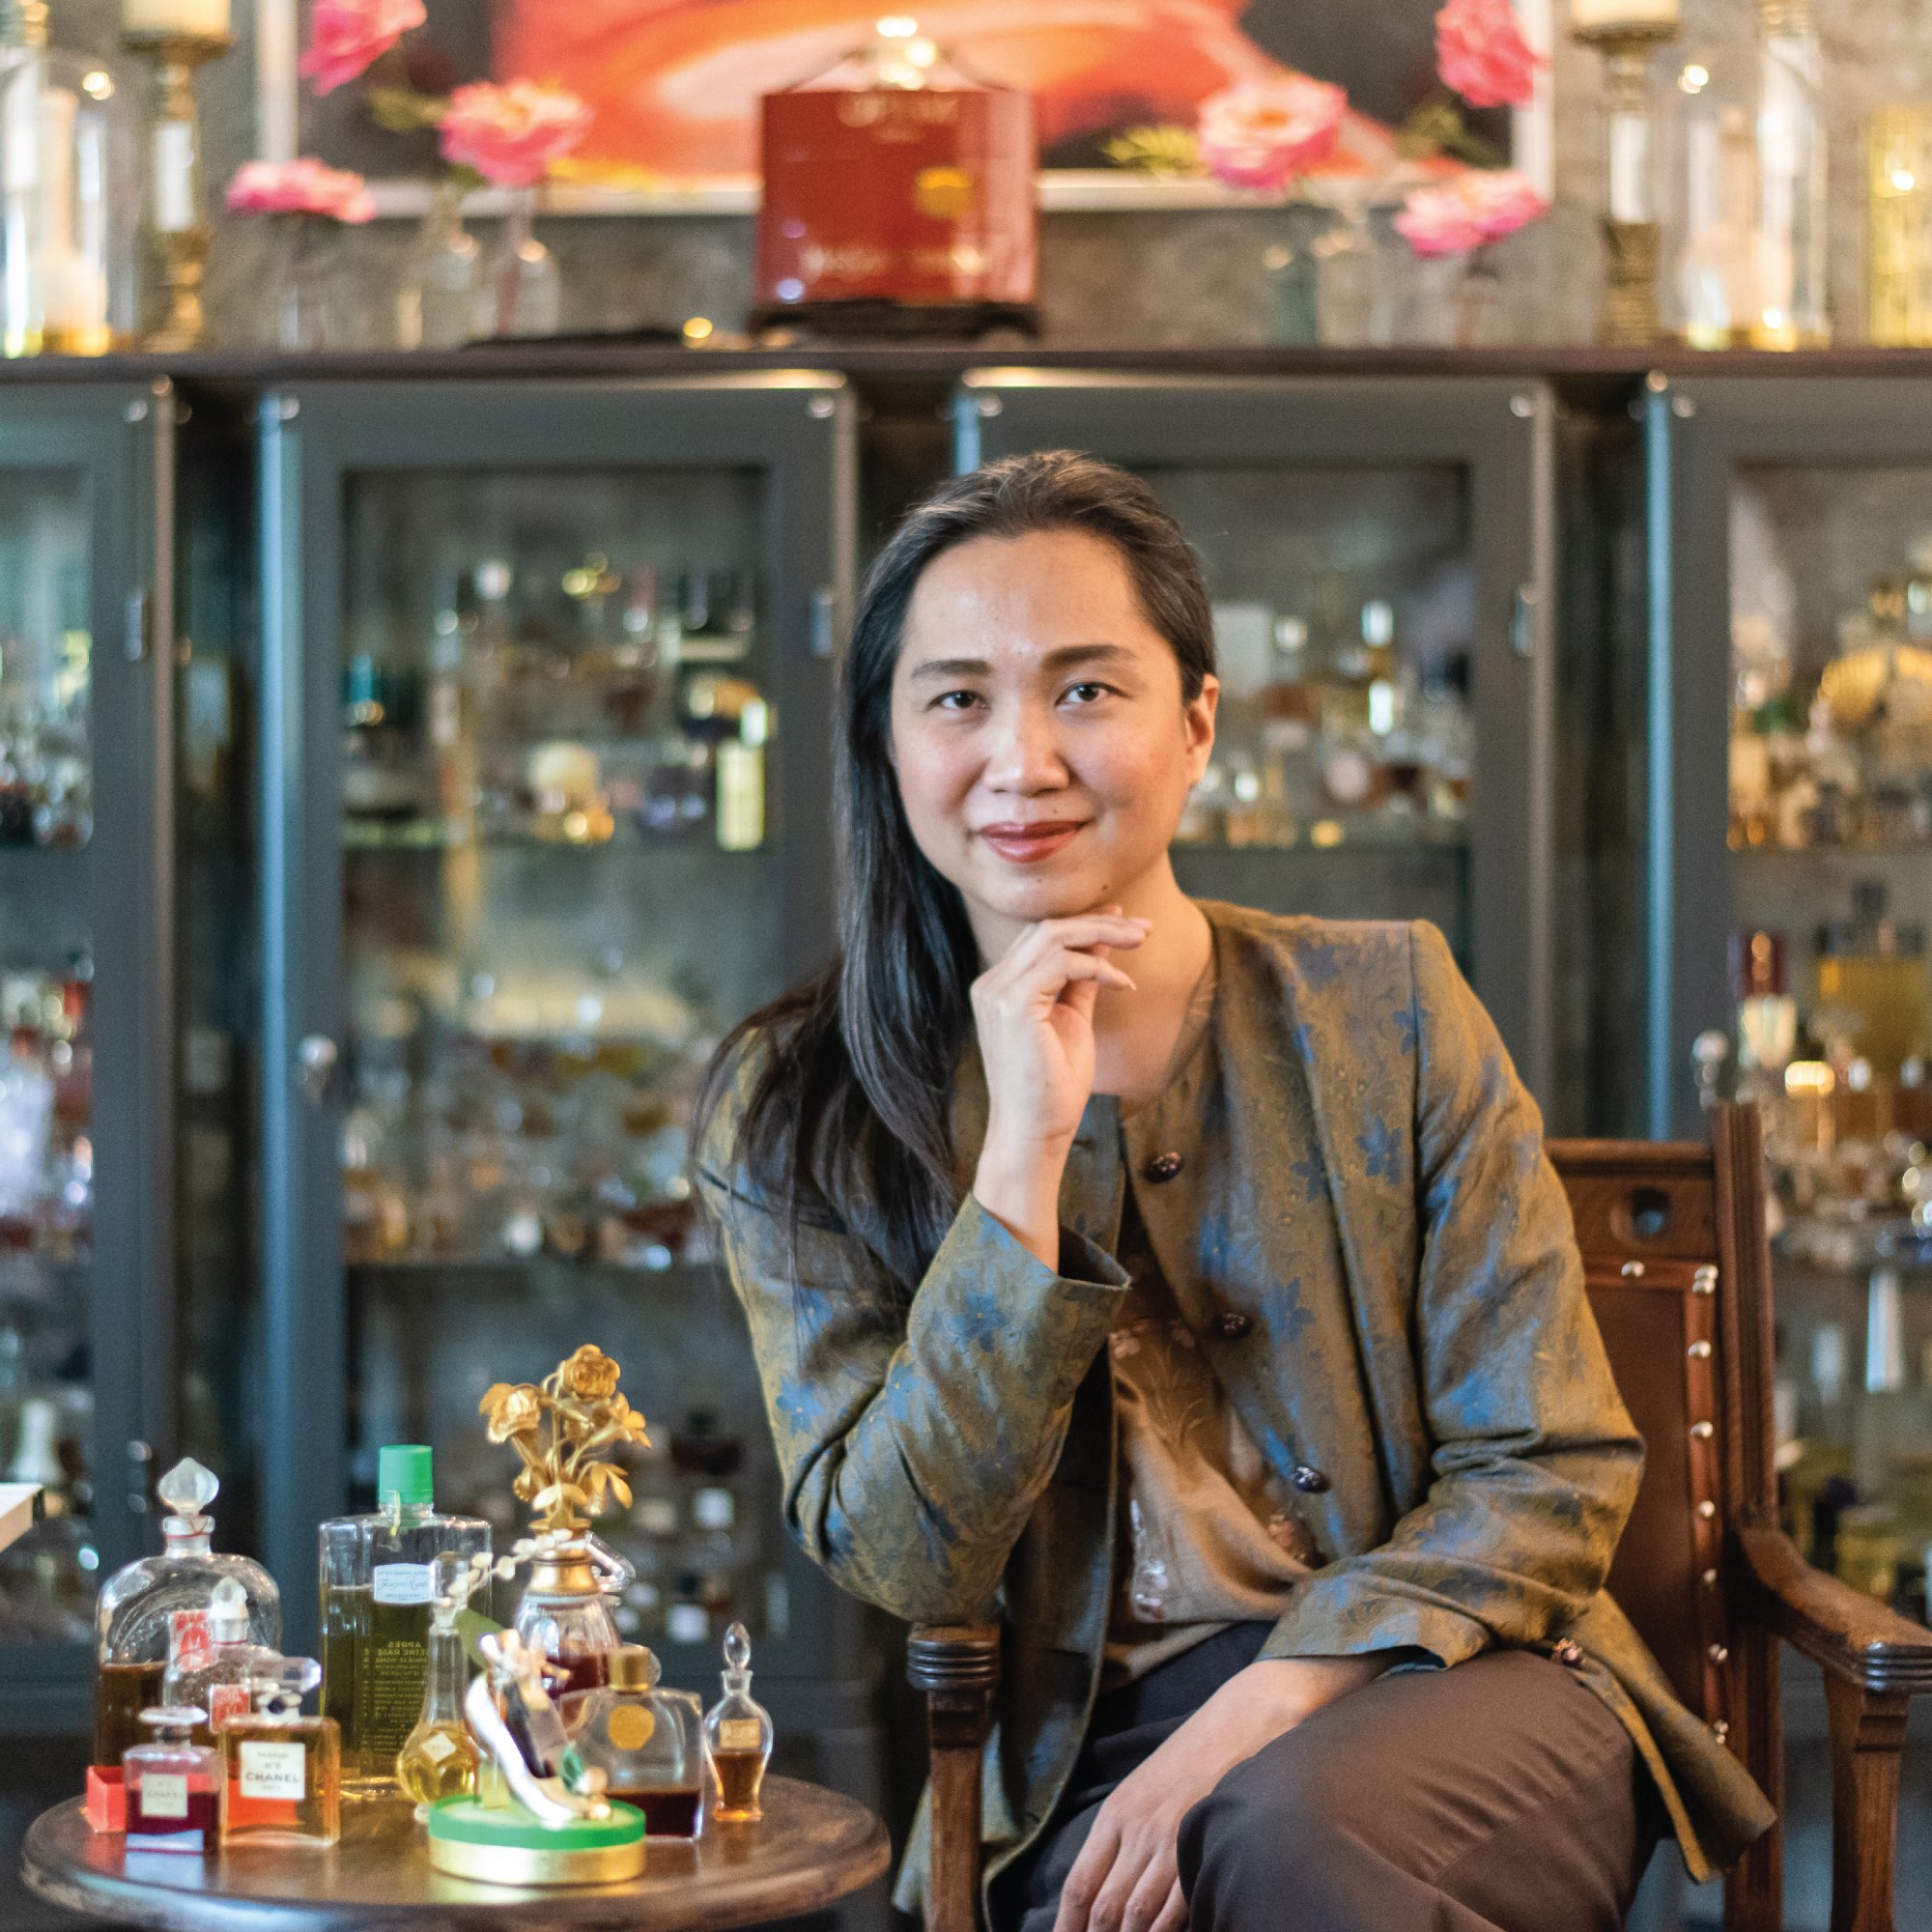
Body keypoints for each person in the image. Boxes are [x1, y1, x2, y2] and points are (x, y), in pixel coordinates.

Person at [693, 452, 1773, 1932]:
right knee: (1249, 1853)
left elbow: (1551, 1465)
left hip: (1465, 1677)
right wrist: (1019, 1163)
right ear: (887, 744)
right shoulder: (804, 1106)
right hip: (1083, 1763)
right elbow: (909, 1561)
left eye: (1086, 690)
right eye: (956, 700)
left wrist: (1264, 1705)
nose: (1022, 758)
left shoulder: (1390, 1009)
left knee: (1277, 1834)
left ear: (1197, 724)